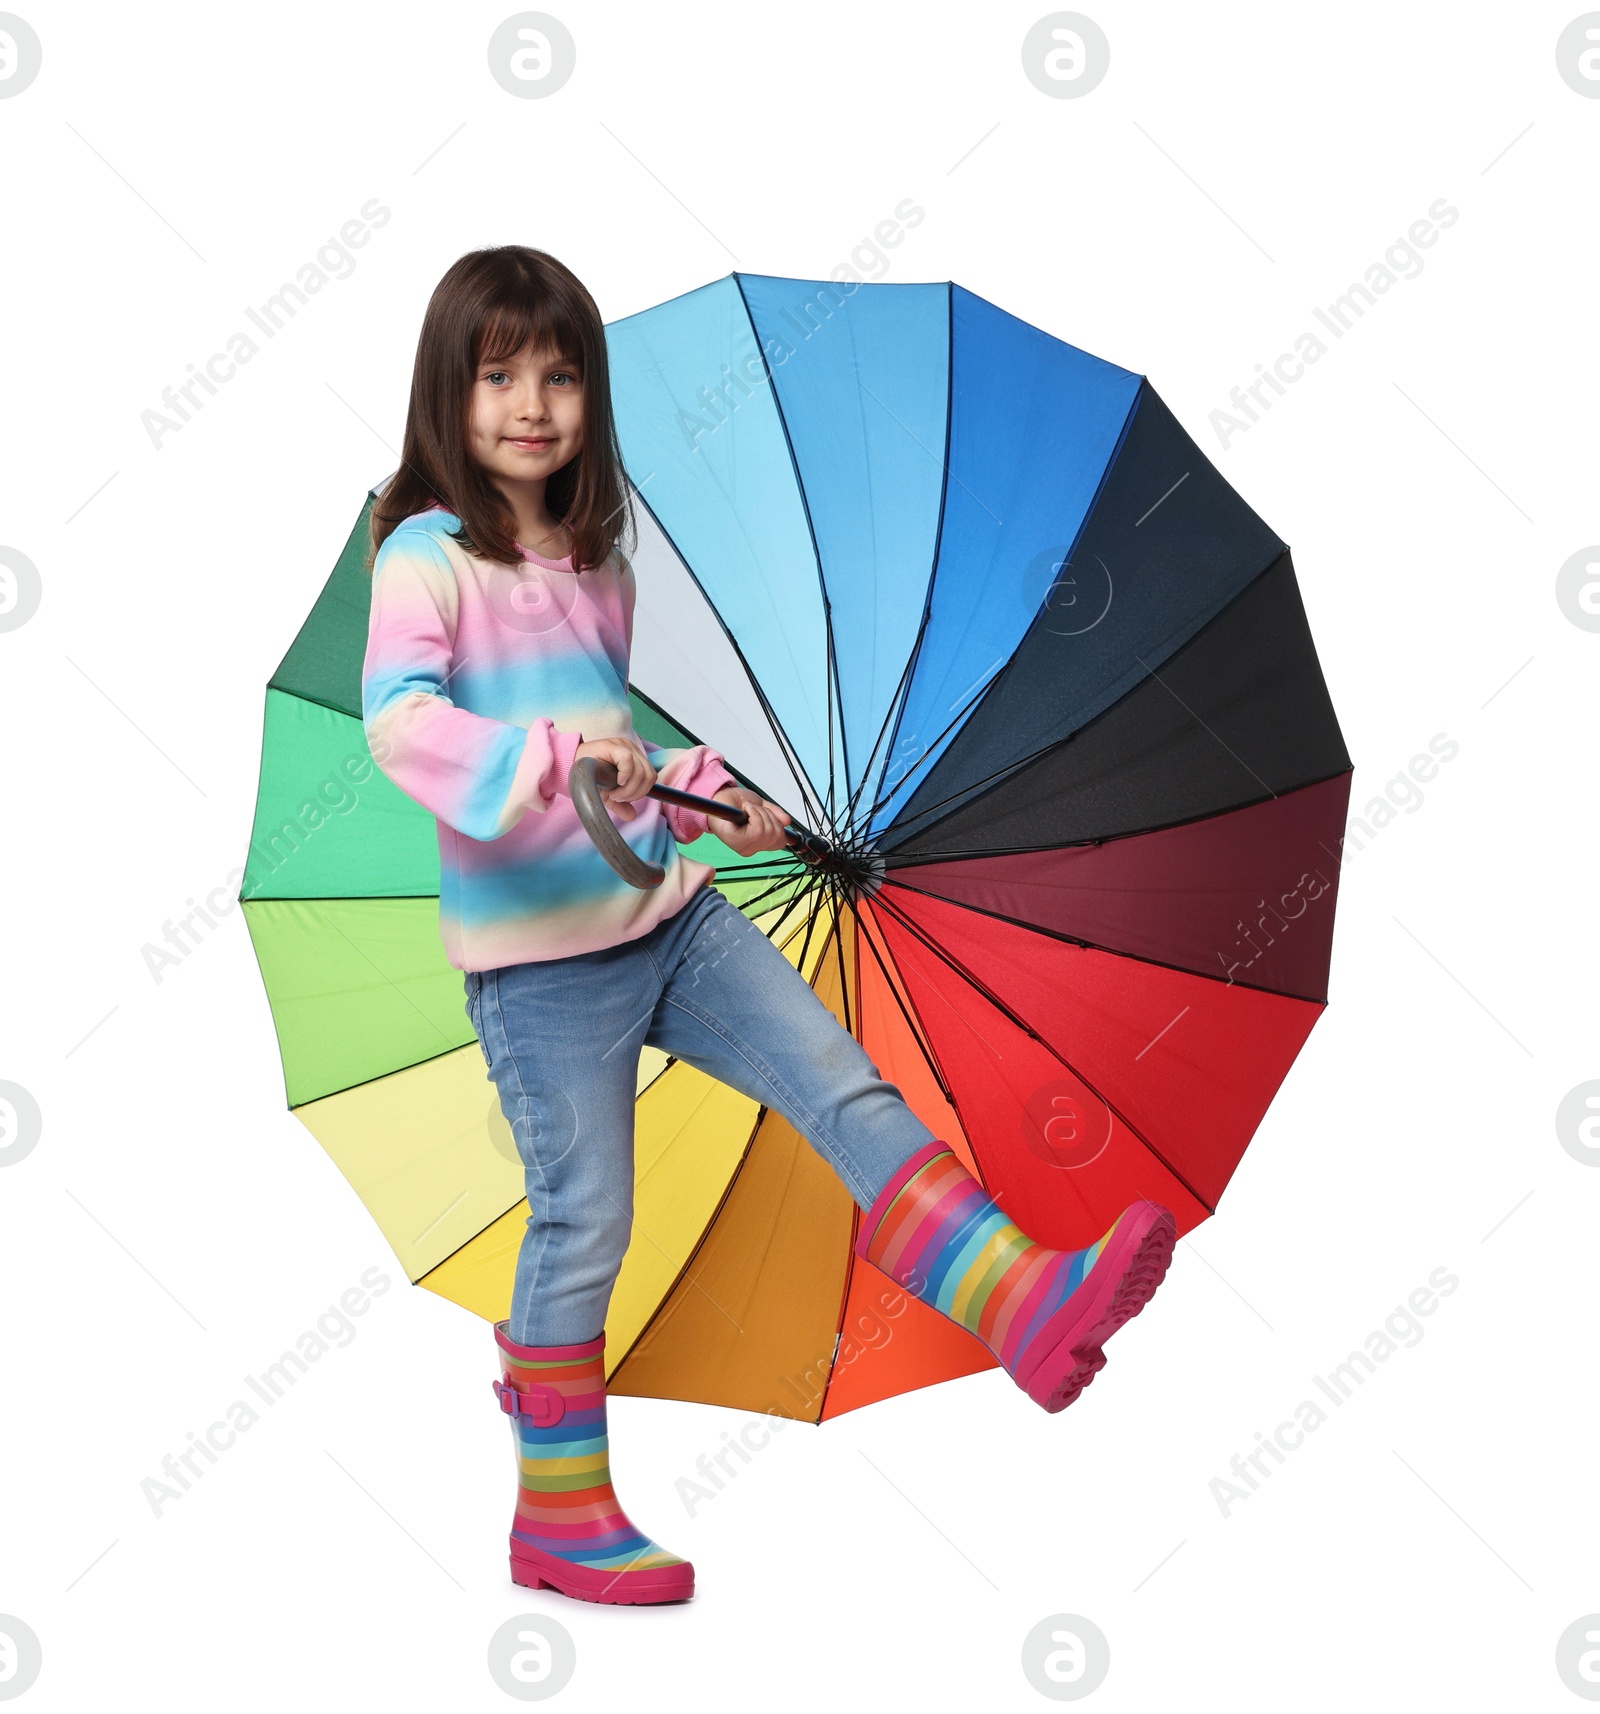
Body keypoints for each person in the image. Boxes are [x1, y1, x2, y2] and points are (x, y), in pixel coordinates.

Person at [360, 245, 1177, 1608]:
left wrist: (703, 797)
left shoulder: (597, 565)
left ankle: (1016, 1300)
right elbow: (403, 727)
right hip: (540, 970)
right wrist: (559, 755)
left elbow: (624, 764)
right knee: (587, 1218)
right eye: (498, 373)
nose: (532, 403)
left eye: (561, 375)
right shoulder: (428, 559)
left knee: (840, 1079)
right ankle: (557, 1513)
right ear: (449, 391)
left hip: (665, 916)